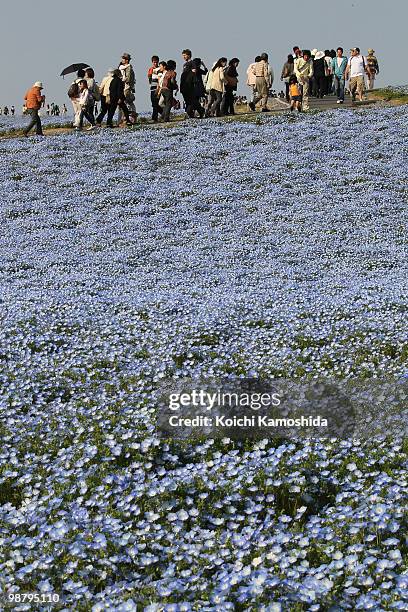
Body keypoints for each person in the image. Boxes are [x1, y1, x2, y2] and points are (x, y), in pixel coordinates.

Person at [118, 53, 137, 122]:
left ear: (126, 60)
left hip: (126, 86)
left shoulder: (128, 67)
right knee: (127, 102)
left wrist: (122, 80)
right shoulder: (122, 67)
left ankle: (128, 117)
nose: (122, 60)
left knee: (127, 101)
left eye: (123, 58)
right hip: (124, 86)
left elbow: (128, 79)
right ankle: (126, 117)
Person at [148, 55, 161, 121]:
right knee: (153, 103)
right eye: (154, 62)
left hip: (157, 87)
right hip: (152, 87)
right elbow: (149, 78)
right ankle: (163, 113)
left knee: (156, 103)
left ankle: (154, 118)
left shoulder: (160, 68)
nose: (155, 63)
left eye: (156, 62)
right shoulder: (150, 69)